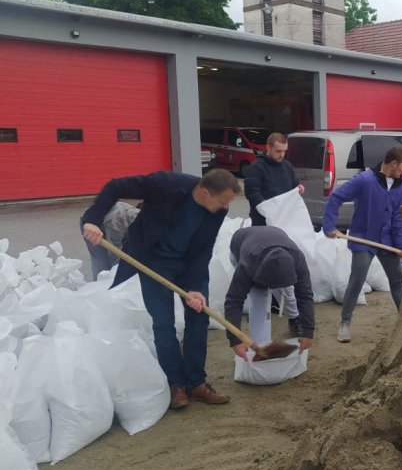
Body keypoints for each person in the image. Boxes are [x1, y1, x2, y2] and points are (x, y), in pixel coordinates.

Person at [81, 168, 241, 409]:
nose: (224, 207)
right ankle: (176, 384)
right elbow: (115, 186)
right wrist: (93, 220)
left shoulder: (218, 211)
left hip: (187, 264)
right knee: (163, 322)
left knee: (199, 318)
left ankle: (196, 382)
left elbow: (203, 249)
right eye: (221, 201)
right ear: (205, 192)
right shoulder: (166, 185)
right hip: (152, 262)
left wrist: (197, 287)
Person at [323, 146, 402, 343]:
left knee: (397, 281)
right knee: (357, 279)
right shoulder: (364, 180)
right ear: (393, 164)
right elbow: (336, 197)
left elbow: (398, 218)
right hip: (364, 238)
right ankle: (345, 322)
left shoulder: (401, 186)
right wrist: (329, 225)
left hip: (387, 240)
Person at [224, 226, 314, 358]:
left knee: (288, 293)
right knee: (259, 298)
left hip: (275, 241)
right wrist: (235, 340)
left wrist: (308, 331)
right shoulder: (247, 265)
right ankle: (261, 346)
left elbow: (305, 295)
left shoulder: (297, 259)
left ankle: (295, 320)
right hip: (241, 245)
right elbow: (234, 300)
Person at [244, 132, 304, 227]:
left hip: (285, 220)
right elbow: (252, 192)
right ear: (268, 147)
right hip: (263, 222)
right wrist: (266, 208)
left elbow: (293, 184)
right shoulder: (256, 168)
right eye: (278, 151)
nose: (282, 155)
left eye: (284, 151)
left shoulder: (287, 166)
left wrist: (298, 187)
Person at [81, 201, 140, 280]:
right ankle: (100, 287)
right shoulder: (117, 222)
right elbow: (116, 256)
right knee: (104, 265)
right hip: (92, 227)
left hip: (116, 222)